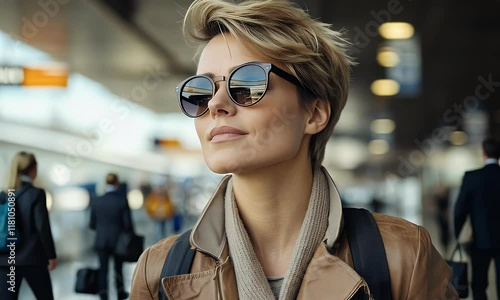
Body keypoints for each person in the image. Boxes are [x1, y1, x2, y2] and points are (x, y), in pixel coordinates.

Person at [131, 1, 458, 299]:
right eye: (199, 91)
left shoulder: (402, 256)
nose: (216, 104)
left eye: (246, 85)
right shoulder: (160, 270)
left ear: (314, 114)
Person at [0, 151, 57, 300]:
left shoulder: (3, 195)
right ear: (33, 169)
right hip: (33, 259)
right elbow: (42, 228)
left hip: (7, 260)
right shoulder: (36, 194)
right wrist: (51, 255)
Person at [454, 137, 500, 300]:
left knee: (479, 285)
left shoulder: (472, 177)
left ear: (483, 154)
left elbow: (459, 210)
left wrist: (459, 235)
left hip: (479, 240)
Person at [90, 173, 133, 300]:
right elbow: (128, 224)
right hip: (118, 241)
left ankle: (103, 295)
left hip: (101, 241)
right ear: (117, 183)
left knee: (103, 269)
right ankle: (120, 294)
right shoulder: (121, 200)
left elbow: (92, 224)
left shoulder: (97, 200)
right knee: (118, 269)